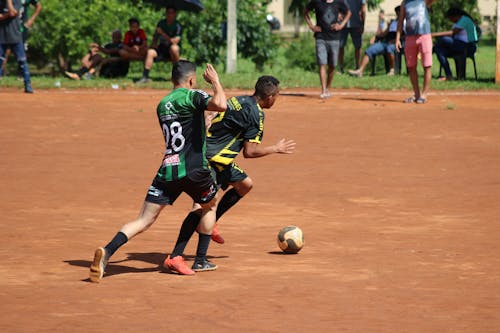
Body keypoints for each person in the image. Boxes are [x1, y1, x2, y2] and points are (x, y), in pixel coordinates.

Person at [89, 61, 227, 282]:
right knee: (210, 205)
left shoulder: (163, 104)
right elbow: (221, 104)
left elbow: (183, 130)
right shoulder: (192, 95)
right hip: (194, 170)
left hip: (168, 169)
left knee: (143, 220)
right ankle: (193, 258)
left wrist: (205, 122)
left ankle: (107, 251)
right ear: (191, 80)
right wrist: (216, 82)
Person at [171, 76, 295, 258]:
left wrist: (209, 119)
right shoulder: (257, 114)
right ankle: (178, 255)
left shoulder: (239, 99)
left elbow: (214, 113)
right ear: (269, 97)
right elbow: (249, 152)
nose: (276, 99)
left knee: (245, 184)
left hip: (218, 158)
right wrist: (275, 148)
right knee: (201, 208)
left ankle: (211, 224)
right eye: (277, 95)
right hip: (212, 160)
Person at [304, 0, 351, 99]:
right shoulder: (317, 2)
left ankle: (328, 88)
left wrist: (341, 25)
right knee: (322, 63)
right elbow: (305, 11)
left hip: (334, 38)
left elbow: (348, 13)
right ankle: (324, 90)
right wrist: (312, 26)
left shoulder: (339, 2)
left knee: (332, 65)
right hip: (320, 37)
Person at [395, 0, 435, 104]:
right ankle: (417, 94)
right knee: (411, 66)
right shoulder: (405, 3)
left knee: (427, 65)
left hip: (424, 36)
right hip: (410, 37)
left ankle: (424, 94)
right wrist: (397, 38)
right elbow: (400, 21)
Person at [348, 5, 401, 77]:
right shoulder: (393, 22)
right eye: (397, 12)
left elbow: (405, 36)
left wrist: (396, 40)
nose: (398, 14)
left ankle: (392, 70)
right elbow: (384, 33)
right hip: (385, 42)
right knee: (370, 50)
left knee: (389, 48)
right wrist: (375, 37)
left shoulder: (405, 22)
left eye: (399, 12)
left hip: (395, 43)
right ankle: (360, 71)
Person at [136, 7, 182, 84]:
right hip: (161, 49)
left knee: (174, 48)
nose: (169, 15)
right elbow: (155, 37)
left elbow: (175, 41)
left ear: (175, 14)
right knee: (150, 52)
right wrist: (154, 44)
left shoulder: (178, 26)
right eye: (168, 12)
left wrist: (163, 34)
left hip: (171, 51)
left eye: (172, 13)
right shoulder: (161, 23)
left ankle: (177, 75)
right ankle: (145, 77)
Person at [432, 7, 479, 81]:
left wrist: (433, 35)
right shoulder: (457, 22)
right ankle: (449, 75)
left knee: (443, 39)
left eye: (450, 18)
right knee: (439, 49)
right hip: (458, 46)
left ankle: (432, 49)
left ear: (456, 16)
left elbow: (452, 33)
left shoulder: (465, 19)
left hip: (469, 47)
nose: (450, 20)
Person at [65, 30, 129, 80]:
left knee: (101, 59)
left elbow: (109, 52)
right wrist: (90, 53)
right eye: (114, 36)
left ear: (120, 37)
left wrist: (98, 47)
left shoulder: (122, 45)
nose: (115, 38)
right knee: (97, 56)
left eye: (117, 36)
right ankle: (81, 74)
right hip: (107, 69)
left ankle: (83, 74)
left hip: (119, 70)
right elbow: (98, 50)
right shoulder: (109, 45)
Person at [0, 0, 33, 93]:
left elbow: (13, 12)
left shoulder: (17, 1)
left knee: (22, 61)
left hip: (15, 36)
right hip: (2, 36)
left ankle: (27, 84)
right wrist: (6, 15)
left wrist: (8, 3)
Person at [1, 0, 41, 75]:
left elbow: (39, 6)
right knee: (5, 50)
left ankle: (21, 74)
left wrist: (31, 20)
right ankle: (2, 71)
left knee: (21, 51)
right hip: (8, 26)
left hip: (21, 27)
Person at [338, 0, 366, 73]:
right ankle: (357, 67)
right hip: (352, 23)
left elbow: (363, 10)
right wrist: (363, 24)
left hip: (344, 23)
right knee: (357, 46)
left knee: (341, 46)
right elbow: (363, 10)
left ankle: (341, 68)